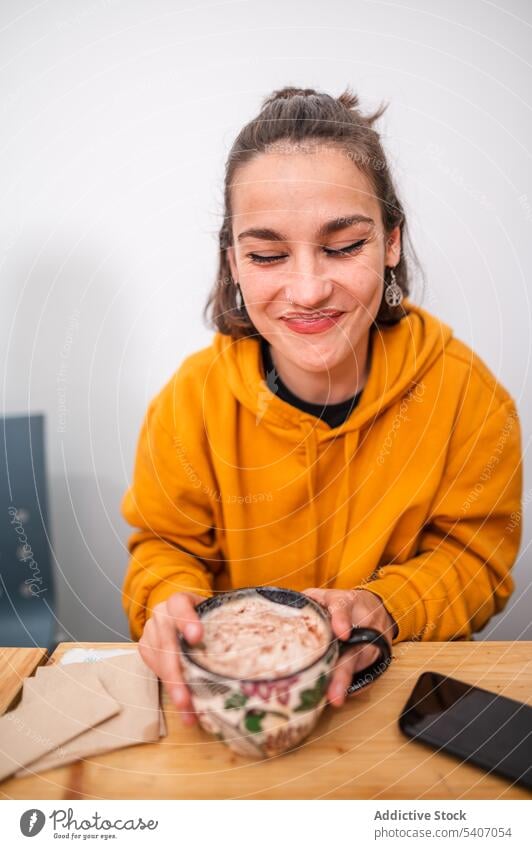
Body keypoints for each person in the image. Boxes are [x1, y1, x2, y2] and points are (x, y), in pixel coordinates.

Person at [120, 86, 523, 726]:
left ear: (391, 242)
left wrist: (387, 607)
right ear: (234, 264)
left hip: (407, 707)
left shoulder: (466, 397)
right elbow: (163, 550)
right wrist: (171, 602)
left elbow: (475, 558)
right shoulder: (188, 403)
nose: (307, 289)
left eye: (342, 246)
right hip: (238, 715)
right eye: (267, 255)